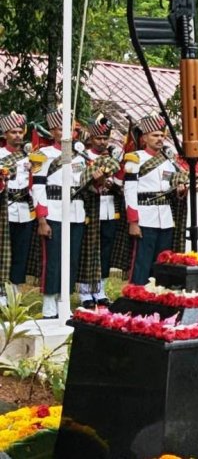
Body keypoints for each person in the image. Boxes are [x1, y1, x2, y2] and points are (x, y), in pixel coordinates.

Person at [30, 109, 90, 318]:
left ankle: (64, 299)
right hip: (54, 211)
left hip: (75, 211)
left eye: (71, 129)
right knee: (53, 258)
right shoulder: (43, 155)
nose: (67, 133)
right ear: (53, 132)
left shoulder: (82, 155)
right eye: (61, 129)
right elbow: (37, 188)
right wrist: (42, 218)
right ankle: (48, 301)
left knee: (72, 258)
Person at [124, 114, 187, 286]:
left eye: (161, 135)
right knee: (142, 262)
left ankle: (159, 298)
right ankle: (137, 297)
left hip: (165, 218)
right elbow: (129, 191)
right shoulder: (135, 159)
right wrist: (133, 221)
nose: (160, 139)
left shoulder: (169, 162)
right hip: (145, 216)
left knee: (163, 262)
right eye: (155, 135)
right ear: (144, 138)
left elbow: (172, 187)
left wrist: (181, 190)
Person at [80, 115, 122, 307]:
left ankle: (100, 289)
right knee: (88, 250)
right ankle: (85, 292)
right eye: (99, 138)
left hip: (109, 208)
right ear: (91, 138)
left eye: (105, 138)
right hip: (90, 208)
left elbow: (121, 182)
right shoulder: (84, 157)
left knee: (105, 250)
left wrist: (113, 184)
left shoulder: (113, 159)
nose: (102, 142)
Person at [0, 112, 34, 304]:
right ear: (5, 134)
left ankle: (14, 292)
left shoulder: (30, 156)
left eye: (20, 132)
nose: (18, 136)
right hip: (5, 209)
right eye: (13, 132)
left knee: (21, 252)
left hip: (24, 210)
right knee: (4, 251)